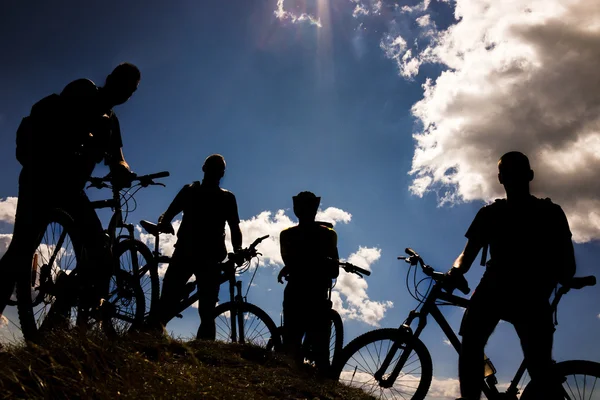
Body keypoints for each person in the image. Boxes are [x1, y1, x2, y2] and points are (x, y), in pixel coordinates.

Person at [0, 63, 140, 318]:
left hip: (71, 189)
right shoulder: (84, 90)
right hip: (41, 177)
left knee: (98, 249)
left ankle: (60, 317)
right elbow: (63, 122)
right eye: (123, 84)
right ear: (109, 79)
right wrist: (86, 139)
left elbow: (118, 155)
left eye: (131, 90)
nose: (126, 93)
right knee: (20, 251)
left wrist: (122, 167)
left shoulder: (112, 121)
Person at [445, 151, 576, 400]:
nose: (512, 177)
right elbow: (568, 265)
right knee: (538, 365)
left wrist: (455, 271)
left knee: (472, 344)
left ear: (500, 178)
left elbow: (466, 257)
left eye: (514, 171)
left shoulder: (492, 214)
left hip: (500, 288)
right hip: (531, 293)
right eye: (509, 172)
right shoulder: (550, 212)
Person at [155, 154, 242, 340]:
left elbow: (235, 228)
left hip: (206, 256)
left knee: (206, 309)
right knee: (172, 300)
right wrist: (164, 222)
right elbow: (168, 214)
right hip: (189, 252)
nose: (216, 172)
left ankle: (203, 350)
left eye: (219, 168)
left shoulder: (225, 197)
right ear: (205, 169)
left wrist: (239, 250)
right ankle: (155, 337)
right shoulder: (190, 191)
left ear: (222, 172)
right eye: (213, 167)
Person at [278, 191, 340, 374]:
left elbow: (288, 261)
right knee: (321, 348)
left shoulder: (287, 235)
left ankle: (290, 375)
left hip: (295, 291)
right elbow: (334, 270)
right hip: (317, 292)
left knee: (292, 341)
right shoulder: (328, 234)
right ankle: (323, 380)